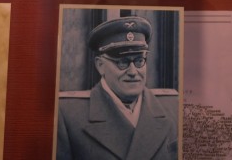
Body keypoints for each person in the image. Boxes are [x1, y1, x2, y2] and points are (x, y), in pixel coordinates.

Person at [56, 16, 178, 159]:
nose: (133, 72)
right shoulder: (68, 115)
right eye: (122, 62)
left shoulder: (173, 106)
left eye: (139, 61)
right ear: (100, 65)